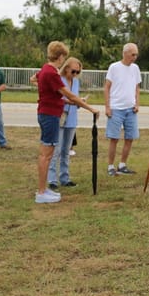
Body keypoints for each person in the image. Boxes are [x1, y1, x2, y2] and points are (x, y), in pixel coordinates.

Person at [36, 41, 99, 204]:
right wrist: (90, 108)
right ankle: (42, 192)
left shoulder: (45, 69)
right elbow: (69, 95)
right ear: (61, 56)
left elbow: (61, 97)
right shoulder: (52, 73)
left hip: (47, 113)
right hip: (50, 116)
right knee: (46, 155)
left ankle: (44, 190)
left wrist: (76, 103)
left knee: (48, 154)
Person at [104, 43, 141, 176]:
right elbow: (107, 87)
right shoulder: (114, 67)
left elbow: (137, 87)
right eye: (133, 54)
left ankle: (122, 164)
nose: (135, 57)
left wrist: (137, 103)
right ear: (125, 53)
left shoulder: (135, 68)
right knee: (114, 138)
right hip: (116, 108)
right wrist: (107, 106)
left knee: (130, 137)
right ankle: (110, 166)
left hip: (131, 109)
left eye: (136, 54)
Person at [48, 57, 84, 190]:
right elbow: (60, 98)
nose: (75, 74)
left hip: (72, 119)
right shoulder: (59, 80)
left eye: (77, 72)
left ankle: (65, 177)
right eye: (73, 71)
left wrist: (80, 102)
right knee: (56, 150)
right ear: (66, 68)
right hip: (60, 117)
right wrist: (75, 101)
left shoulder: (76, 82)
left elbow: (75, 98)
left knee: (66, 151)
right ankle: (52, 179)